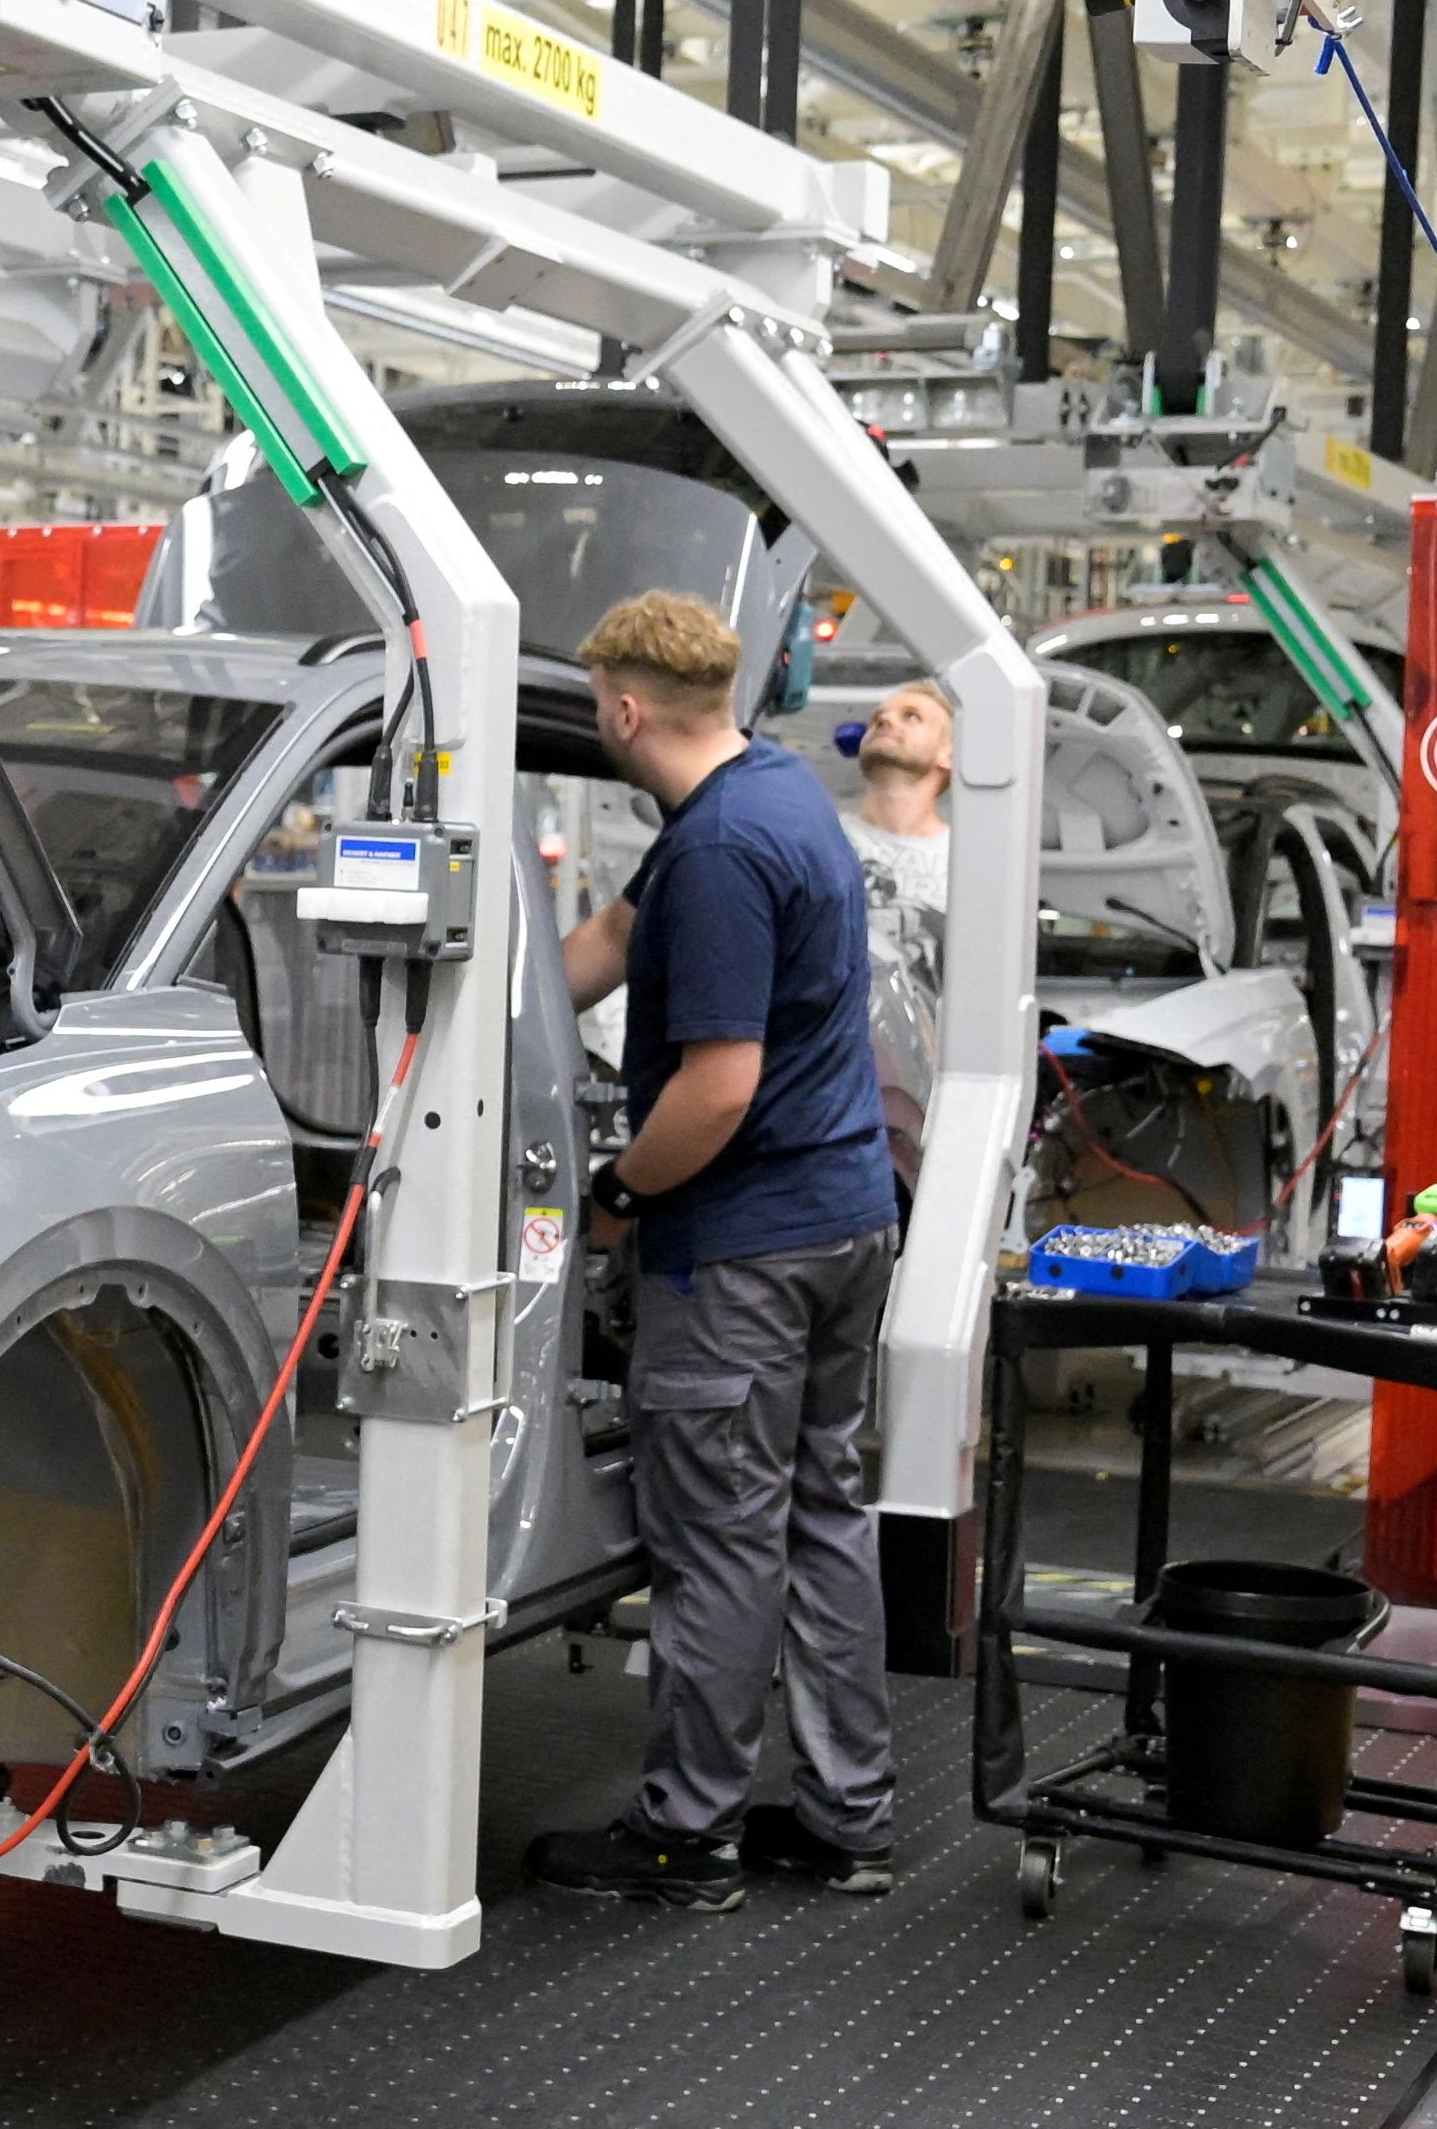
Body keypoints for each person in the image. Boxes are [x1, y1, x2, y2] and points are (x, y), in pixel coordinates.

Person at [524, 591, 903, 1913]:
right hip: (846, 1220)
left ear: (624, 710)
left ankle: (688, 1834)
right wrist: (499, 1007)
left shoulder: (722, 852)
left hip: (744, 1248)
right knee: (823, 1518)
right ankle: (850, 1817)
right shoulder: (770, 793)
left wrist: (617, 1191)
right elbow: (617, 940)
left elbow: (719, 1085)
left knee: (722, 1542)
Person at [841, 681, 953, 1003]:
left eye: (912, 716)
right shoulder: (822, 841)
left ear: (950, 755)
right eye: (878, 717)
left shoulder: (968, 860)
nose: (886, 720)